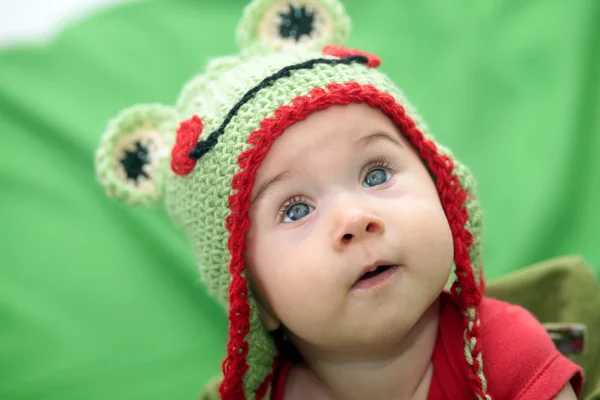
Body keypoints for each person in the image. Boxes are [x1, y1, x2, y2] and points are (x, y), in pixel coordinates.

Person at [95, 0, 584, 398]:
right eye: (296, 209)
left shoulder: (502, 352)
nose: (355, 218)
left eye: (376, 174)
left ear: (443, 186)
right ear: (252, 296)